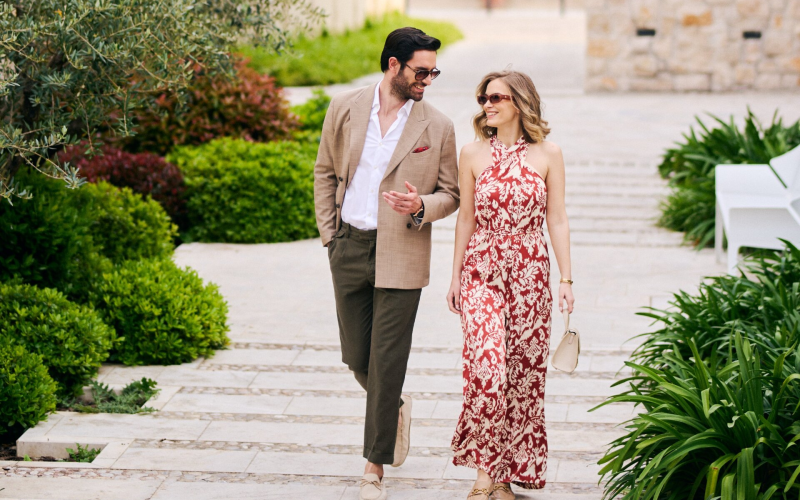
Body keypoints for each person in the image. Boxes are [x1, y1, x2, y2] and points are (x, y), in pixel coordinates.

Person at [313, 27, 459, 500]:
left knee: (387, 359)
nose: (427, 80)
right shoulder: (344, 107)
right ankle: (391, 404)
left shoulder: (438, 126)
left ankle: (373, 467)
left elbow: (452, 194)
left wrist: (421, 206)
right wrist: (330, 236)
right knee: (357, 357)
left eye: (433, 72)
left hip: (403, 251)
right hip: (349, 246)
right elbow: (324, 171)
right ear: (393, 65)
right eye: (421, 71)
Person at [446, 70, 575, 499]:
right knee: (487, 369)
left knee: (521, 378)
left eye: (496, 97)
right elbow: (466, 217)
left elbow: (557, 218)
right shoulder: (471, 153)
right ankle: (484, 476)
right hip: (481, 270)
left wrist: (566, 278)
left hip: (530, 274)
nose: (487, 104)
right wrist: (454, 276)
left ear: (519, 102)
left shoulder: (548, 154)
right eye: (484, 98)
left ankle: (502, 476)